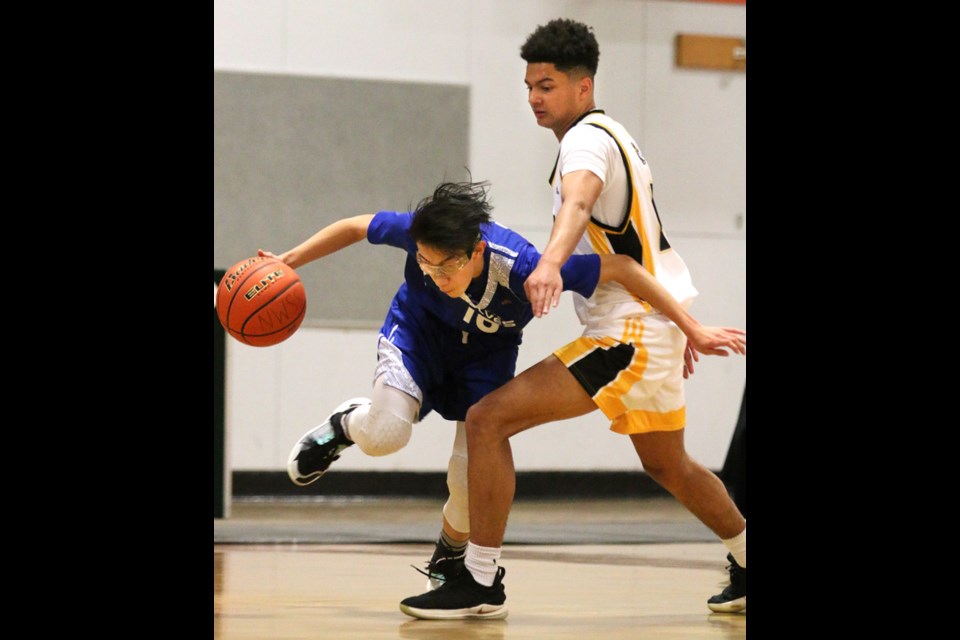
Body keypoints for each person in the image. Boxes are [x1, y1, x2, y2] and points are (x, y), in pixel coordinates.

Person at [399, 19, 747, 620]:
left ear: (583, 88)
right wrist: (680, 323)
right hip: (652, 323)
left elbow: (580, 202)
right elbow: (644, 243)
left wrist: (552, 264)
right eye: (530, 85)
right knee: (669, 464)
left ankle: (479, 579)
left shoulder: (585, 143)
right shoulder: (616, 134)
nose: (535, 97)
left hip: (628, 330)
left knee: (486, 420)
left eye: (548, 86)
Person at [265, 179, 746, 594]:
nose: (435, 276)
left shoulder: (523, 266)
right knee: (387, 434)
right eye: (425, 266)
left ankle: (449, 556)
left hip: (484, 358)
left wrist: (687, 325)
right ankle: (346, 424)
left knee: (469, 482)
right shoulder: (419, 233)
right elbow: (356, 227)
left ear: (476, 251)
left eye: (445, 269)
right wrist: (290, 259)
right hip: (418, 335)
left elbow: (623, 267)